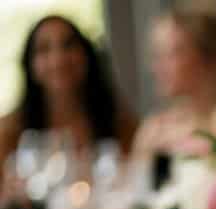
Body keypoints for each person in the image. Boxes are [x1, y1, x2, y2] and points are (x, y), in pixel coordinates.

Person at [0, 15, 136, 199]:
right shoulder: (9, 132)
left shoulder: (120, 124)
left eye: (68, 45)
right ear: (30, 64)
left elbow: (138, 189)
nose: (58, 59)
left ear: (86, 55)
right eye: (44, 49)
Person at [131, 10, 216, 178]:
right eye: (157, 54)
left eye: (174, 53)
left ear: (210, 58)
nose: (158, 67)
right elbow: (136, 195)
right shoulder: (155, 130)